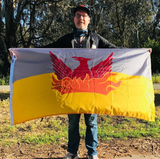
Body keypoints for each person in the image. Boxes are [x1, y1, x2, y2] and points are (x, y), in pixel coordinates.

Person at [42, 4, 117, 159]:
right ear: (74, 19)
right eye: (77, 15)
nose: (80, 18)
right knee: (73, 123)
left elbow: (115, 49)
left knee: (91, 122)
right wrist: (23, 53)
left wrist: (139, 52)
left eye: (84, 15)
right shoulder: (67, 39)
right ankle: (72, 152)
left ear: (88, 19)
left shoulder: (96, 38)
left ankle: (92, 153)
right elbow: (46, 50)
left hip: (91, 89)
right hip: (73, 89)